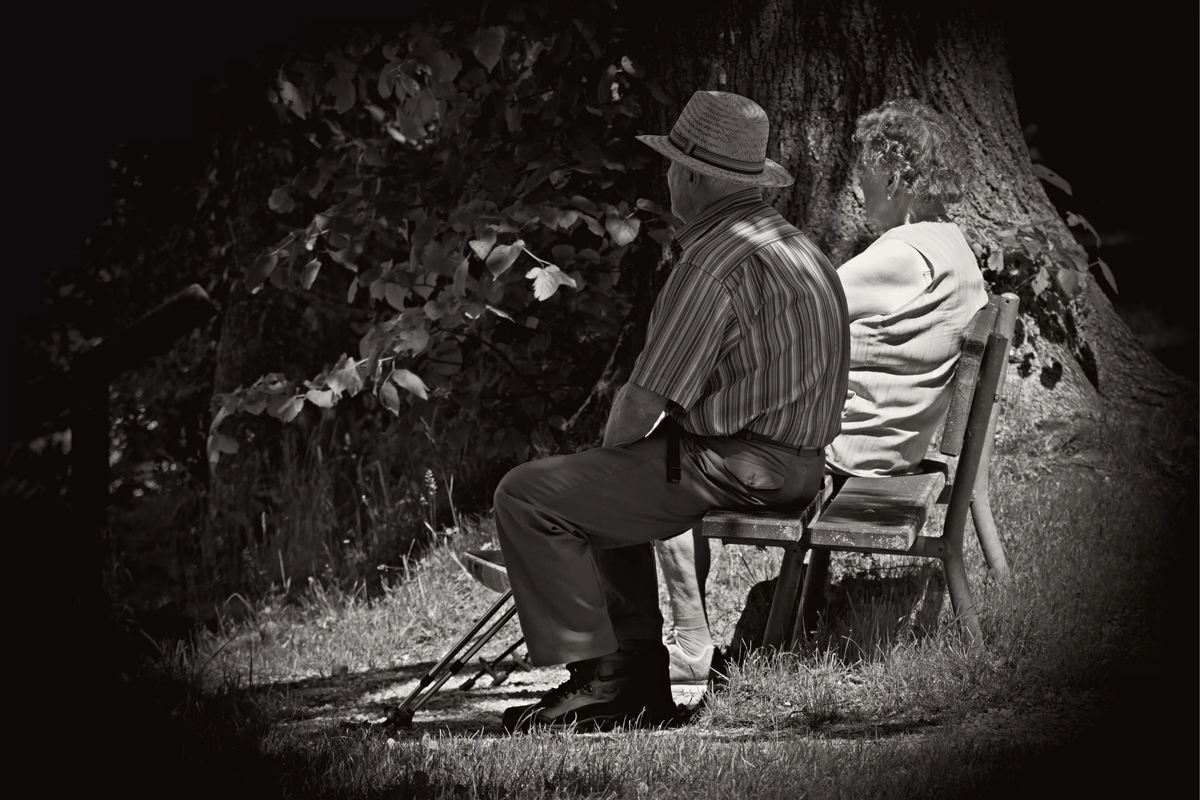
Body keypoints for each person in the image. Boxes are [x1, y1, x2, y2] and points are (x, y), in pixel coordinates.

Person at [493, 91, 850, 732]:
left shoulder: (713, 262)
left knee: (530, 493)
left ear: (687, 175)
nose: (665, 178)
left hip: (743, 461)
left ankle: (608, 680)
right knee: (604, 487)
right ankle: (625, 676)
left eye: (669, 166)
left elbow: (644, 398)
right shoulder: (796, 244)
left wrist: (602, 465)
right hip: (799, 462)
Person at [659, 97, 988, 675]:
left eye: (863, 178)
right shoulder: (953, 247)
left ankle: (688, 638)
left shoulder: (900, 257)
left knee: (664, 449)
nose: (858, 194)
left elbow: (794, 308)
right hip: (892, 443)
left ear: (895, 176)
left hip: (846, 455)